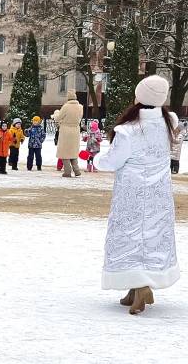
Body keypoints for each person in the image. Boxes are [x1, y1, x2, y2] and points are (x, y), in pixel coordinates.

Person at [95, 75, 180, 315]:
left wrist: (95, 158)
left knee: (129, 238)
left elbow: (113, 161)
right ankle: (138, 287)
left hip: (131, 194)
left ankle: (140, 287)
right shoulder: (168, 121)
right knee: (153, 238)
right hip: (159, 195)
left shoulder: (128, 131)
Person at [52, 90, 83, 177]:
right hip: (76, 130)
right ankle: (76, 170)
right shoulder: (80, 107)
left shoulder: (66, 107)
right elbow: (79, 117)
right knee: (73, 151)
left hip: (66, 130)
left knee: (65, 151)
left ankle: (67, 171)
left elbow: (58, 118)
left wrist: (56, 114)